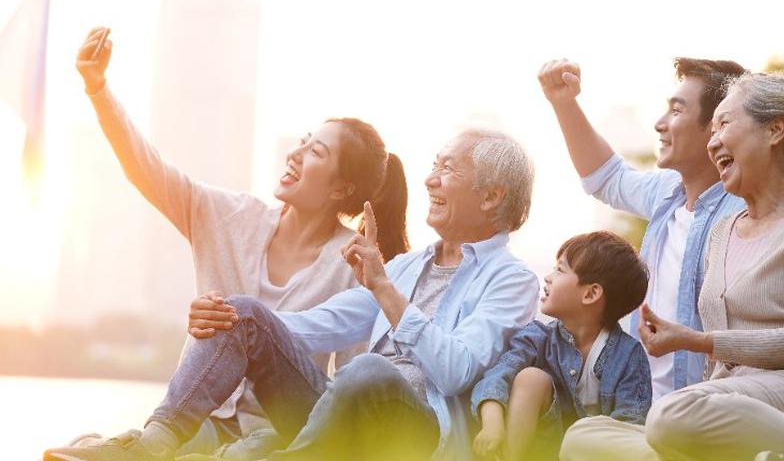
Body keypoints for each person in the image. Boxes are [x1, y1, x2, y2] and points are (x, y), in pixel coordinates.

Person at [44, 129, 540, 461]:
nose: (432, 178)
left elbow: (455, 372)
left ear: (492, 196)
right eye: (434, 166)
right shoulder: (411, 266)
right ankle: (151, 444)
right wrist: (233, 325)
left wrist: (385, 288)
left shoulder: (511, 281)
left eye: (448, 169)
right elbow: (313, 324)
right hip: (337, 409)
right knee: (246, 311)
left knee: (368, 369)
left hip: (416, 431)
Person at [70, 27, 409, 457]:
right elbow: (146, 168)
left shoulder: (354, 264)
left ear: (341, 189)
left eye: (316, 153)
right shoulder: (230, 218)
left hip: (289, 425)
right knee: (101, 448)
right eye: (303, 141)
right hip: (204, 419)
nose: (296, 154)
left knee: (243, 421)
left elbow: (350, 385)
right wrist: (97, 88)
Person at [560, 72, 784, 460]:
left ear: (775, 129)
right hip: (738, 402)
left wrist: (697, 341)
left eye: (724, 124)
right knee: (584, 435)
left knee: (672, 416)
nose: (712, 142)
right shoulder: (722, 233)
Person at [537, 57, 746, 401]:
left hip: (700, 410)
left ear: (717, 128)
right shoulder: (667, 192)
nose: (660, 124)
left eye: (677, 111)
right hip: (639, 405)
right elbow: (606, 178)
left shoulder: (742, 213)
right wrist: (564, 102)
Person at [471, 230, 651, 461]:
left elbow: (630, 427)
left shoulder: (628, 355)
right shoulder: (538, 338)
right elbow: (498, 375)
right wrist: (492, 423)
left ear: (591, 293)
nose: (548, 277)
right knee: (531, 378)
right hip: (543, 451)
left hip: (594, 454)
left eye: (560, 269)